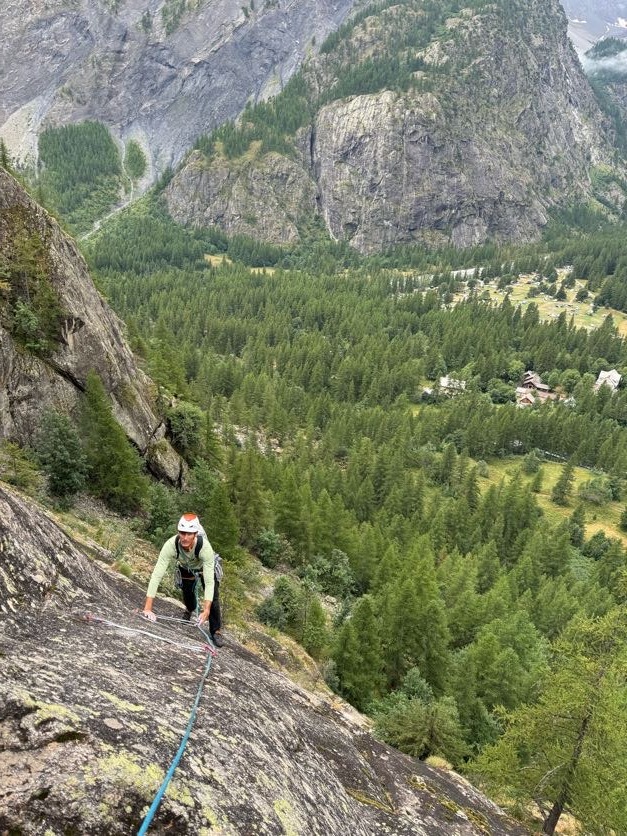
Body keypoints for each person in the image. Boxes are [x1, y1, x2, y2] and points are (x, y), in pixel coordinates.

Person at [142, 513, 224, 647]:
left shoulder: (205, 548)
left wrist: (206, 610)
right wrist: (148, 608)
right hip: (186, 566)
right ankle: (189, 609)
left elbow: (209, 583)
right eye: (182, 533)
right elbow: (156, 576)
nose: (185, 537)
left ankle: (216, 631)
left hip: (204, 568)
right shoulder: (171, 545)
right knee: (187, 593)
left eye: (189, 534)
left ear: (195, 534)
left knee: (213, 597)